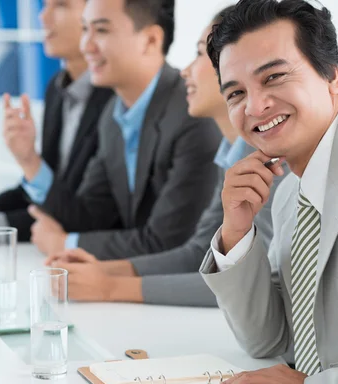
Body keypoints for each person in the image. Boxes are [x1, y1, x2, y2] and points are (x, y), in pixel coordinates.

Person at [196, 1, 338, 384]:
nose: (254, 106)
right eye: (236, 93)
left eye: (274, 77)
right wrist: (236, 232)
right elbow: (269, 341)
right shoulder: (288, 198)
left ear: (331, 75)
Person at [46, 7, 287, 306]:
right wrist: (103, 271)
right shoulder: (235, 155)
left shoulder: (268, 158)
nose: (185, 70)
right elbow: (200, 251)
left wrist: (109, 286)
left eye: (200, 54)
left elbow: (244, 283)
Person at [23, 0, 221, 259]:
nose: (86, 46)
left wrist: (66, 244)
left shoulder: (193, 114)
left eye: (102, 31)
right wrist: (28, 159)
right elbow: (90, 216)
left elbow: (169, 241)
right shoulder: (112, 116)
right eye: (85, 29)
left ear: (150, 40)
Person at [0, 0, 114, 242]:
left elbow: (79, 216)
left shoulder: (116, 98)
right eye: (45, 5)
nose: (43, 17)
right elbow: (44, 187)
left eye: (61, 5)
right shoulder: (57, 89)